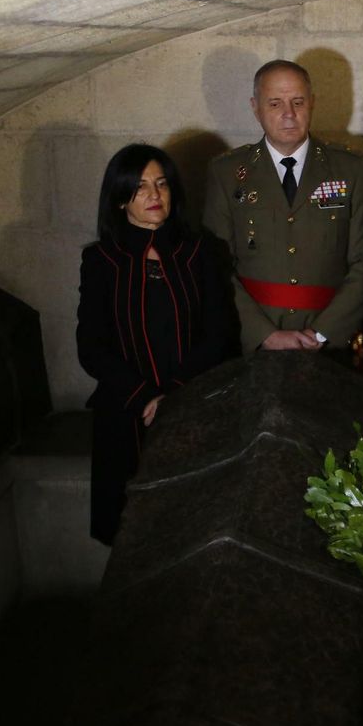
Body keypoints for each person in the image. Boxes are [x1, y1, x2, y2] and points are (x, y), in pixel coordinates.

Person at [77, 144, 235, 545]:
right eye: (140, 187)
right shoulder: (101, 260)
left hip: (194, 407)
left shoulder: (200, 251)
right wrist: (146, 398)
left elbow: (219, 334)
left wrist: (174, 399)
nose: (154, 195)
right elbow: (91, 346)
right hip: (126, 413)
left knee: (195, 527)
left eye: (161, 184)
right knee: (133, 533)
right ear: (119, 199)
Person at [204, 59, 363, 355]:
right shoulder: (227, 173)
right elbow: (216, 268)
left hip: (330, 345)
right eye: (275, 104)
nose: (289, 114)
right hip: (255, 345)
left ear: (312, 103)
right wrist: (263, 334)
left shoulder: (351, 170)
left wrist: (322, 334)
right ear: (255, 107)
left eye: (298, 102)